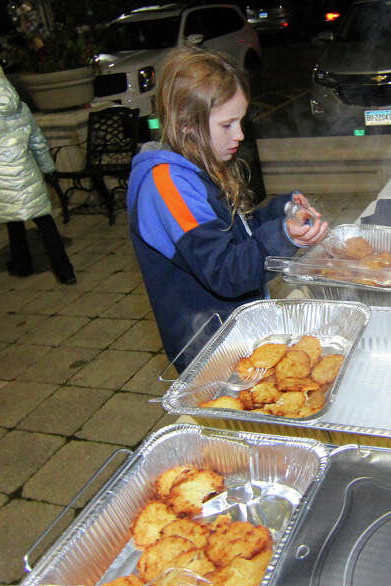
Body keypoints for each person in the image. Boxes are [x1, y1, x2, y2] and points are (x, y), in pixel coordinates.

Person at [127, 46, 329, 372]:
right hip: (211, 349)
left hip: (238, 333)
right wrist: (283, 237)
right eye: (227, 124)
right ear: (186, 124)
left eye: (240, 121)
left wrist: (283, 211)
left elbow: (238, 234)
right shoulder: (167, 185)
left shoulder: (196, 164)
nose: (240, 134)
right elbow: (223, 270)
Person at [0, 47, 75, 284]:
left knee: (13, 220)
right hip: (26, 171)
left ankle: (22, 264)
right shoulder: (19, 105)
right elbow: (37, 141)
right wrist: (48, 168)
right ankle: (65, 270)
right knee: (44, 221)